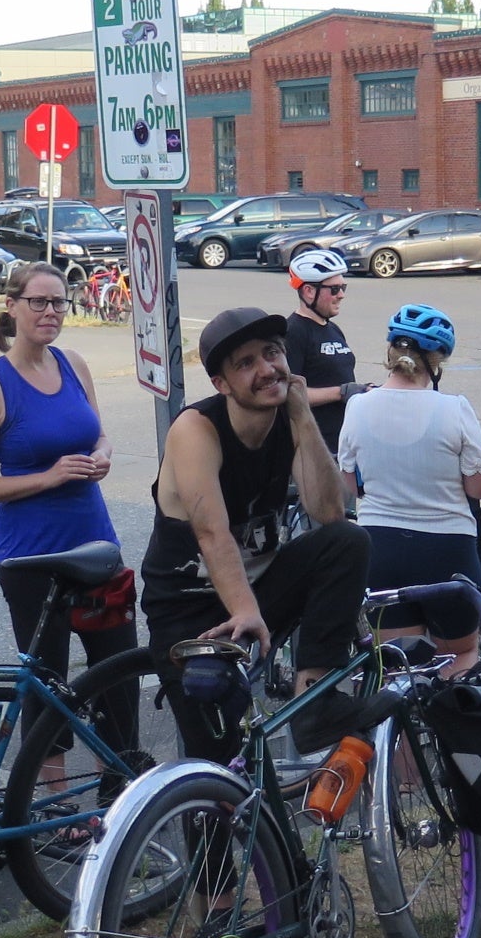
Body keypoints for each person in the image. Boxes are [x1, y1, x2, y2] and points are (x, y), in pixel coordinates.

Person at [141, 307, 371, 760]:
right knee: (222, 764)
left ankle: (316, 701)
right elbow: (211, 532)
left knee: (347, 543)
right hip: (191, 606)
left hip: (256, 589)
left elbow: (329, 513)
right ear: (222, 384)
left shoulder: (287, 417)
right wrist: (245, 611)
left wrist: (304, 417)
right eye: (246, 363)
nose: (267, 370)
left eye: (272, 354)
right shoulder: (196, 429)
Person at [0, 259, 132, 688]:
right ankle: (47, 759)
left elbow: (99, 435)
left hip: (95, 545)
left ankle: (118, 759)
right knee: (47, 695)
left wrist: (102, 455)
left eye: (58, 302)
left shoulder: (73, 364)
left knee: (118, 682)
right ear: (12, 306)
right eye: (38, 302)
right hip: (31, 557)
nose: (50, 311)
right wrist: (49, 477)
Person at [338, 304, 481, 673]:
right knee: (459, 655)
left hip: (382, 548)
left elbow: (350, 484)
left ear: (391, 353)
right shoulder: (454, 409)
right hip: (446, 552)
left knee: (396, 669)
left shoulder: (358, 407)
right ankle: (447, 726)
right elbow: (478, 487)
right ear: (436, 363)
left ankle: (401, 733)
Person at [282, 248, 363, 452]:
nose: (341, 295)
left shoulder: (332, 328)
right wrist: (341, 392)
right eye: (334, 289)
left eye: (343, 286)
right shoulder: (293, 332)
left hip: (343, 443)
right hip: (316, 448)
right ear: (309, 291)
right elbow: (287, 395)